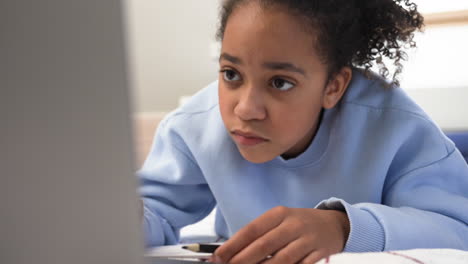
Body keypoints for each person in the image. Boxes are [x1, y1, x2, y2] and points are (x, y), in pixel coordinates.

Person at [138, 0, 468, 263]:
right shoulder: (193, 125)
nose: (245, 109)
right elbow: (154, 212)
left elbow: (458, 230)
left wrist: (344, 228)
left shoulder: (397, 127)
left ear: (333, 87)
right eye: (231, 74)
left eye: (280, 82)